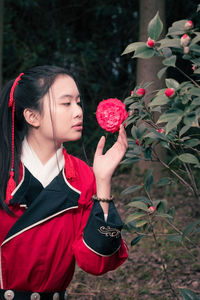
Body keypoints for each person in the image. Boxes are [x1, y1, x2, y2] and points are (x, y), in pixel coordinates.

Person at [0, 65, 128, 300]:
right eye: (66, 103)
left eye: (78, 102)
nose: (78, 111)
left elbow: (96, 262)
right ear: (32, 116)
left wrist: (103, 181)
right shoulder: (3, 170)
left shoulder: (84, 176)